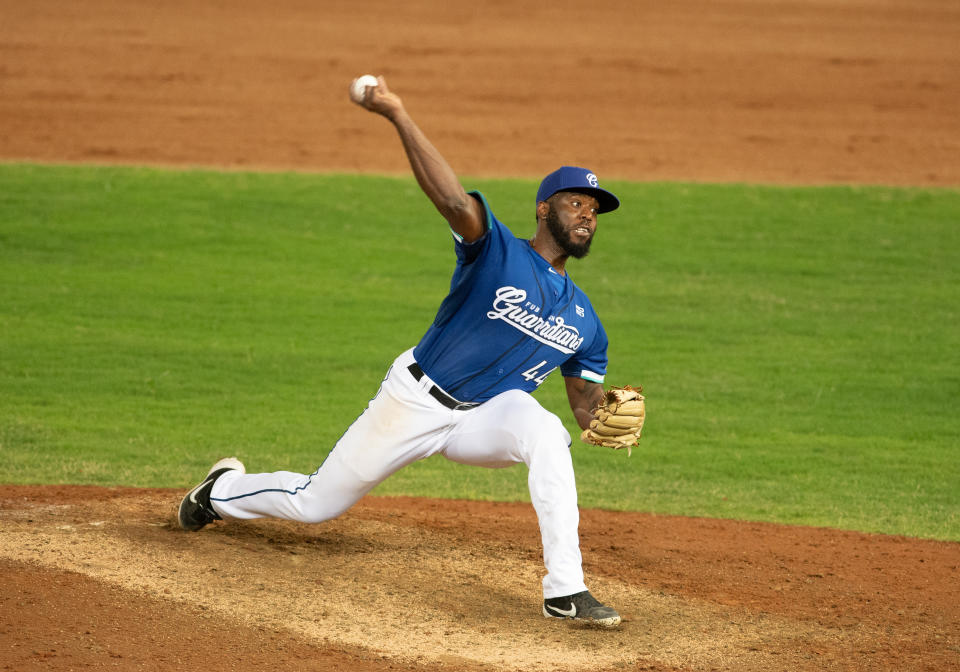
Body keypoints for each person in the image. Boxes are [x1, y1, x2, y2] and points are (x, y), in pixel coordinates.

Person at [178, 76, 624, 627]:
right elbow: (451, 198)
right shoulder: (497, 251)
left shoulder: (587, 322)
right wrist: (396, 113)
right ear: (543, 209)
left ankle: (565, 590)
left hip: (485, 417)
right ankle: (222, 490)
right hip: (415, 400)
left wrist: (606, 414)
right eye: (575, 202)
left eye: (594, 210)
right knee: (316, 505)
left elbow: (584, 403)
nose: (586, 214)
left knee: (548, 434)